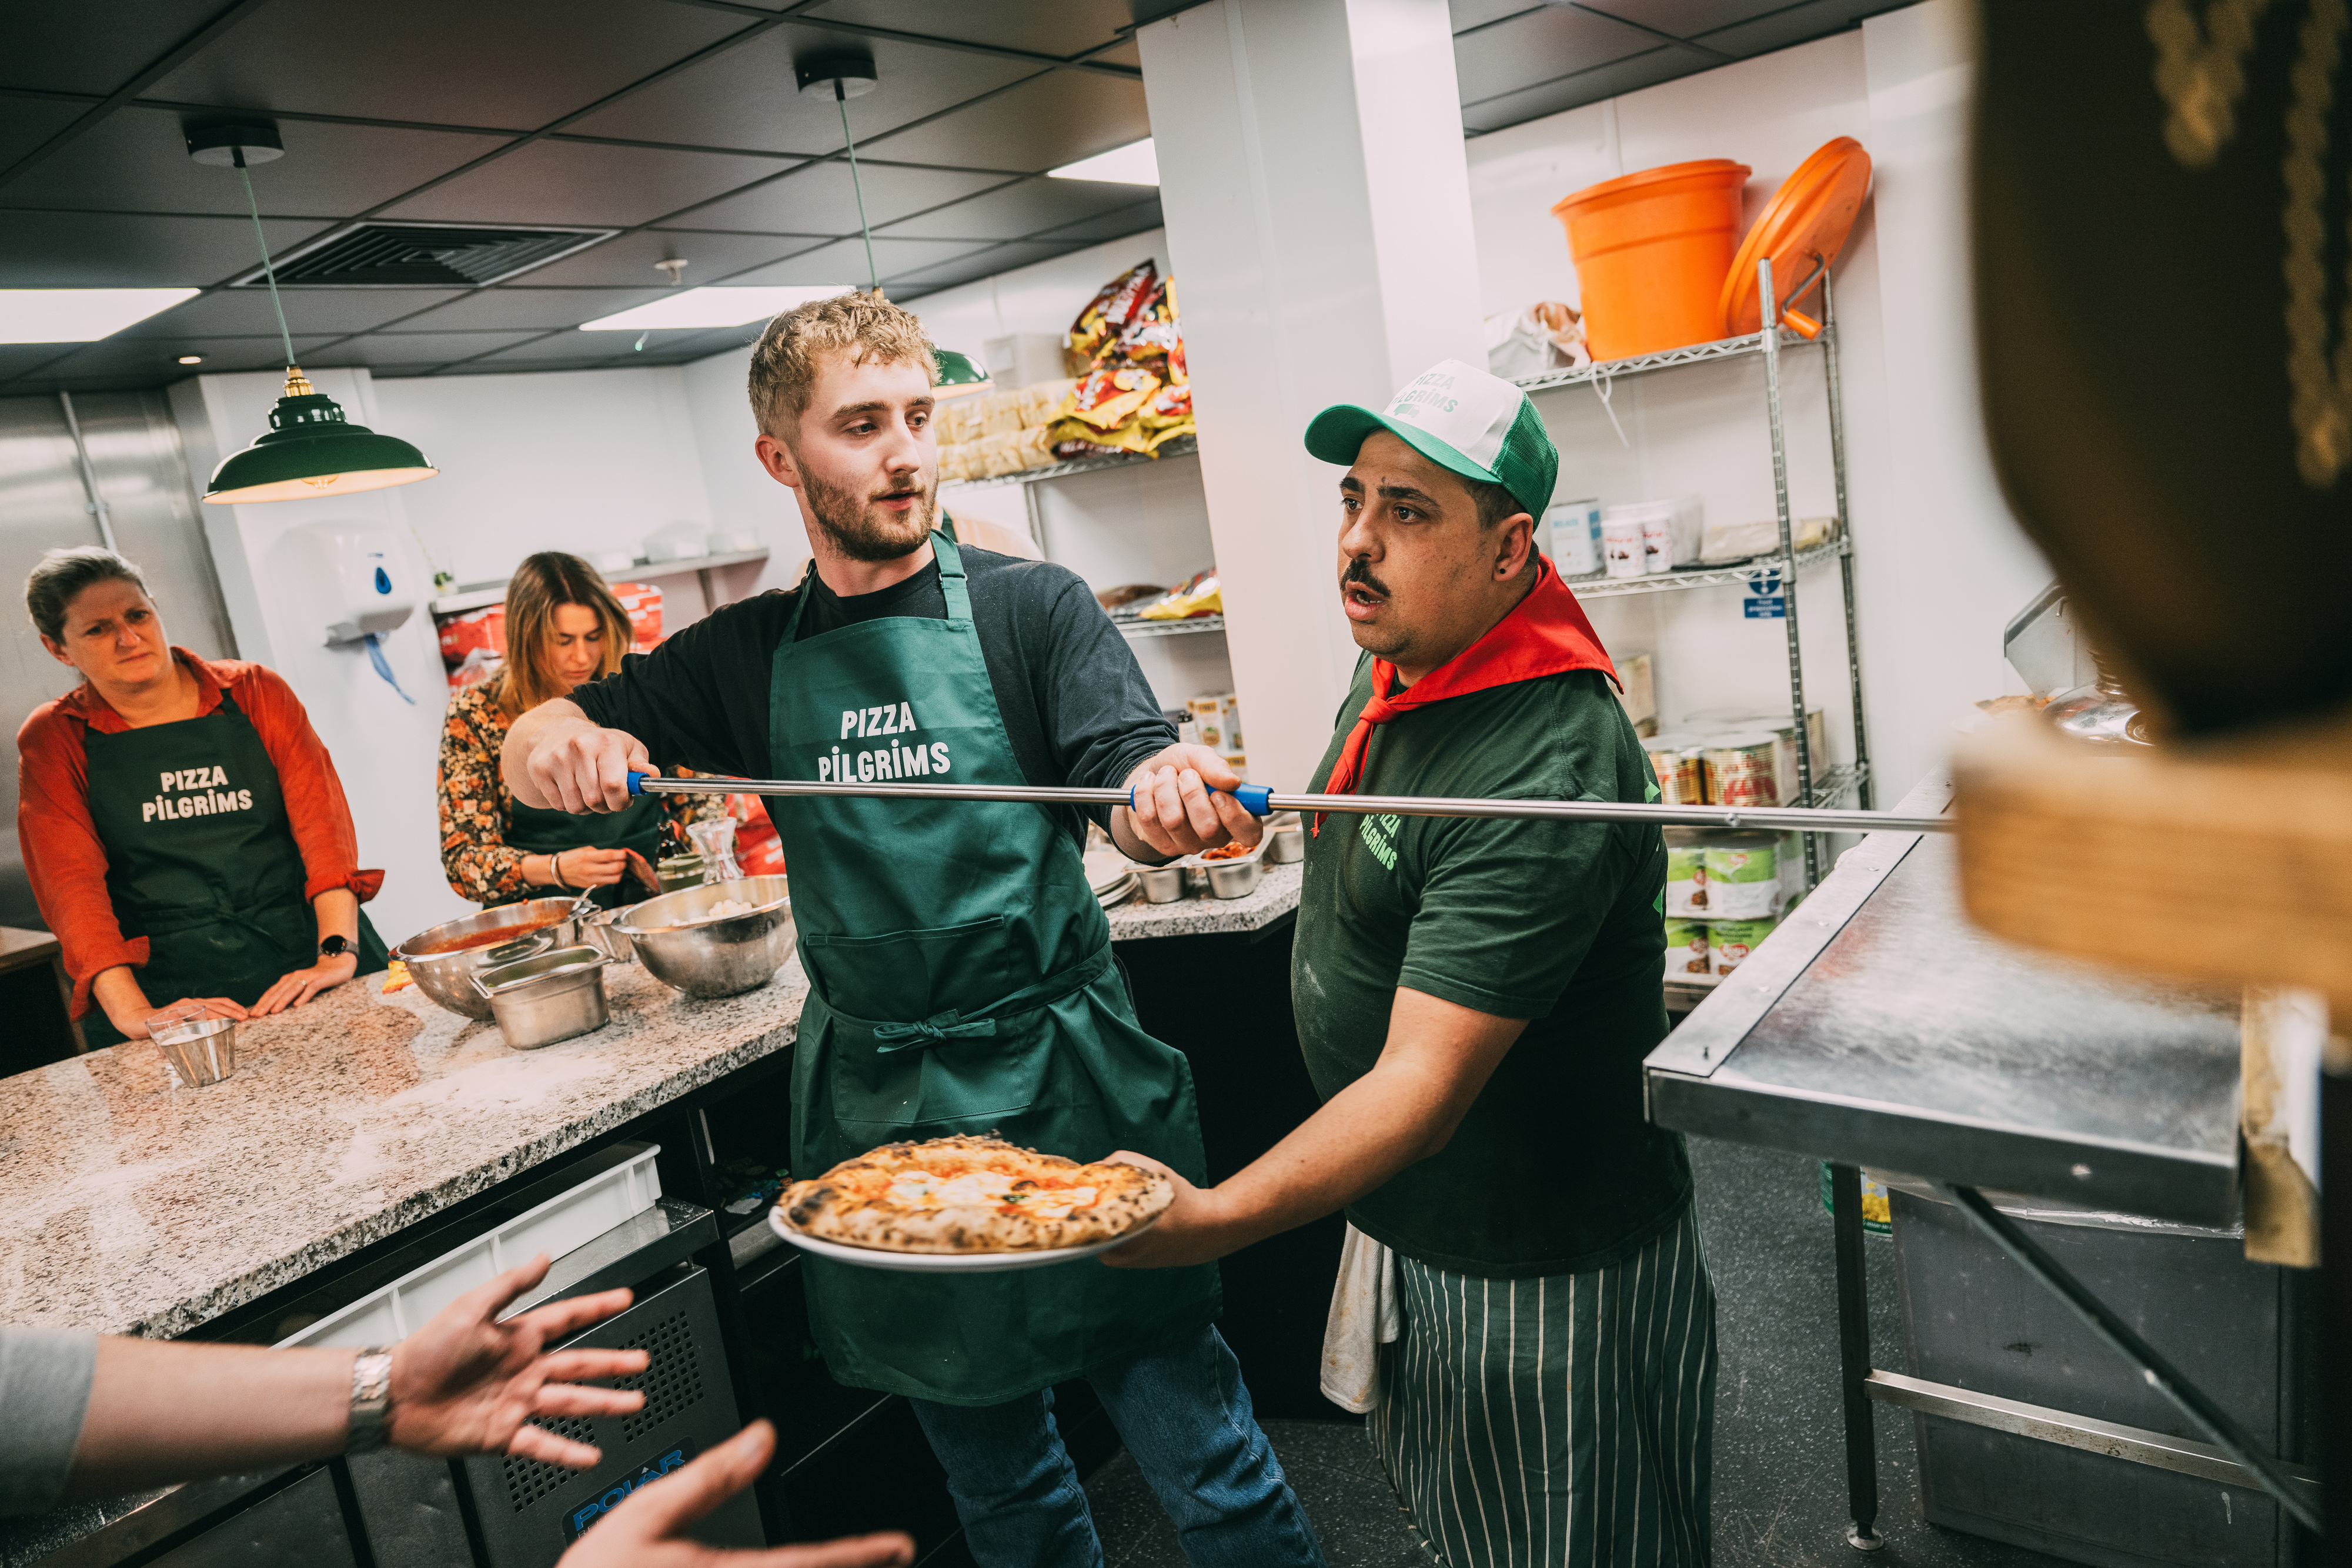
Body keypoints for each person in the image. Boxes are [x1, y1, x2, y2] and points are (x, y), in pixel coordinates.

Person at [502, 291, 1324, 1568]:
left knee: (1204, 1462)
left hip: (1067, 1084)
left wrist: (1165, 802)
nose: (905, 452)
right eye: (862, 424)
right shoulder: (741, 656)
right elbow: (537, 731)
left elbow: (1128, 777)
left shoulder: (1029, 609)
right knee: (1002, 1491)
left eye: (919, 416)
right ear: (781, 458)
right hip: (886, 1112)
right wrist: (564, 740)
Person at [1107, 359, 1716, 1567]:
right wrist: (1240, 811)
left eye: (1409, 511)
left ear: (1509, 549)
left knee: (1573, 1542)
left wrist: (1216, 1218)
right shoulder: (1408, 657)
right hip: (1424, 1228)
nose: (1358, 544)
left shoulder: (1542, 760)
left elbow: (1420, 1089)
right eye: (1353, 500)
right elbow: (1391, 837)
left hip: (1538, 1259)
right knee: (1466, 1526)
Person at [18, 547, 390, 1047]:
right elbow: (72, 891)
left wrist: (335, 953)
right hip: (178, 997)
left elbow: (324, 832)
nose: (129, 639)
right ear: (57, 648)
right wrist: (136, 1013)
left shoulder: (255, 691)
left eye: (137, 615)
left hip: (310, 956)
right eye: (97, 629)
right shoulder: (55, 738)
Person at [438, 551, 719, 910]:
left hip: (653, 906)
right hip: (544, 923)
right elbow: (464, 860)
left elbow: (702, 801)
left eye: (594, 636)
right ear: (526, 639)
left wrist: (697, 864)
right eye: (564, 640)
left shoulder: (633, 694)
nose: (583, 657)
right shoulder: (476, 713)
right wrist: (556, 868)